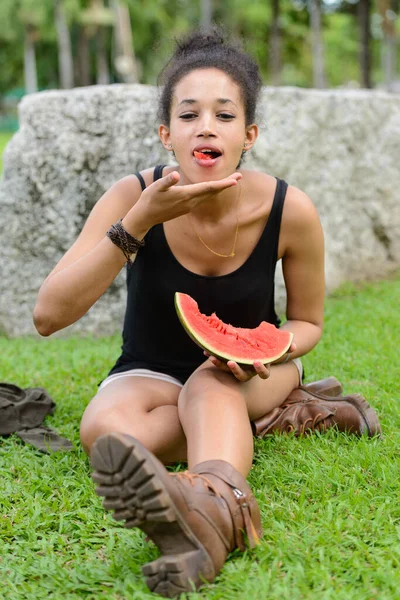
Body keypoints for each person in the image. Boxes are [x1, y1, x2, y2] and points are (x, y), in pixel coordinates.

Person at [33, 28, 380, 598]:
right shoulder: (132, 198)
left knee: (209, 388)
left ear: (249, 135)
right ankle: (278, 420)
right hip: (148, 368)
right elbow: (48, 315)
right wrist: (138, 225)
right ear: (167, 135)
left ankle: (218, 509)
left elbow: (309, 322)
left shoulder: (289, 209)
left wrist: (270, 349)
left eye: (224, 114)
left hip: (252, 372)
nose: (206, 126)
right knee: (102, 430)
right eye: (189, 114)